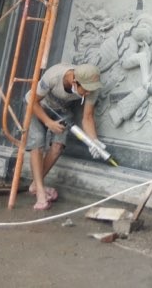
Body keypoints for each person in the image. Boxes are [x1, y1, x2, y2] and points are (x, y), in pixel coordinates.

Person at [25, 63, 104, 210]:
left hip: (61, 110)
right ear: (74, 81)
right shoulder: (54, 76)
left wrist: (93, 141)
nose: (88, 93)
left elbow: (87, 117)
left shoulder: (91, 87)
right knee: (38, 142)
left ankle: (35, 185)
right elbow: (32, 100)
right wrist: (48, 122)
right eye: (85, 90)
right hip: (38, 106)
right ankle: (40, 193)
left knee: (57, 147)